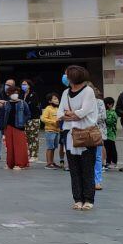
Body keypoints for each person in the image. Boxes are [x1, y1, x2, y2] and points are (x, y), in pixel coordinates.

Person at [59, 65, 99, 210]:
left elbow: (84, 111)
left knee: (87, 168)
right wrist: (71, 115)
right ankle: (77, 199)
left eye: (66, 74)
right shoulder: (65, 92)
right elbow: (60, 113)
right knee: (74, 169)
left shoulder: (88, 91)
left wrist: (72, 114)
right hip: (69, 134)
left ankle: (88, 199)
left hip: (85, 134)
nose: (64, 77)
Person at [0, 82, 30, 170]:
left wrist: (22, 121)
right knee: (9, 146)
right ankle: (10, 164)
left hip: (19, 127)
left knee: (19, 146)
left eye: (16, 93)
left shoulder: (23, 103)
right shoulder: (6, 104)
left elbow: (28, 115)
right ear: (9, 94)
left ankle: (20, 164)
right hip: (8, 127)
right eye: (13, 93)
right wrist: (2, 128)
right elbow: (2, 116)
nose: (15, 94)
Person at [0, 76, 15, 162]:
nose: (7, 86)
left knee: (8, 136)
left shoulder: (14, 94)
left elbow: (12, 104)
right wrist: (1, 103)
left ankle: (10, 154)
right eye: (6, 84)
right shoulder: (0, 93)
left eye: (9, 85)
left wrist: (4, 103)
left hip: (10, 118)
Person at [20, 78, 41, 161]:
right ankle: (29, 152)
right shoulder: (22, 95)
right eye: (22, 84)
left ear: (29, 85)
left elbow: (33, 106)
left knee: (34, 137)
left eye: (25, 84)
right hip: (25, 119)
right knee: (28, 137)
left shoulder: (33, 94)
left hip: (34, 118)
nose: (23, 86)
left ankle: (34, 155)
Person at [41, 94, 63, 169]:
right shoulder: (48, 108)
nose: (57, 100)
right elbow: (43, 118)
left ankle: (52, 162)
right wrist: (53, 121)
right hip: (50, 131)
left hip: (57, 131)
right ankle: (48, 163)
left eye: (57, 99)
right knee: (50, 147)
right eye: (55, 99)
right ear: (50, 101)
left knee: (53, 147)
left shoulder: (58, 109)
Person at [93, 89, 106, 191]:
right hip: (83, 132)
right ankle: (88, 180)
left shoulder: (99, 102)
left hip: (97, 131)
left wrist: (88, 117)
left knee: (97, 156)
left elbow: (103, 116)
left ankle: (97, 181)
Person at [102, 96, 118, 170]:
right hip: (106, 133)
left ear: (109, 104)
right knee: (107, 147)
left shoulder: (113, 113)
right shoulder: (106, 112)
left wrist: (103, 119)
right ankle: (108, 161)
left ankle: (113, 162)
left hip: (111, 133)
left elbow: (109, 121)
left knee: (111, 148)